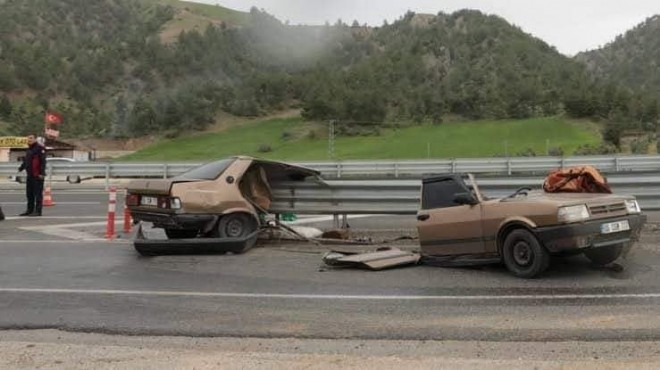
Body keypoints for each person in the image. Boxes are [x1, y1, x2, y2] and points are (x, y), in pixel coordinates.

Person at [17, 134, 46, 216]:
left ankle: (38, 211)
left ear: (35, 139)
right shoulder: (29, 149)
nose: (29, 140)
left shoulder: (40, 149)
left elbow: (43, 162)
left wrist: (42, 173)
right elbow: (26, 160)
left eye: (31, 138)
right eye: (28, 138)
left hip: (37, 175)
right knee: (29, 194)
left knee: (38, 194)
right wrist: (21, 167)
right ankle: (29, 210)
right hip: (30, 175)